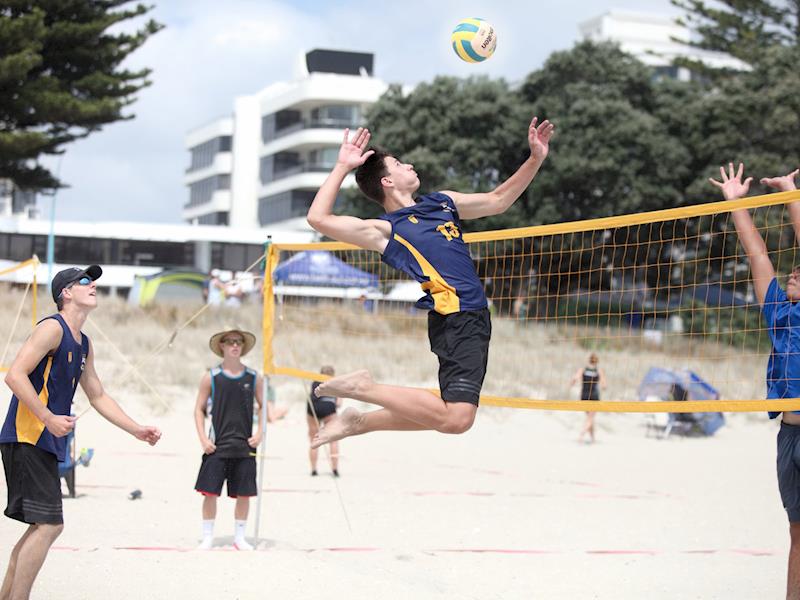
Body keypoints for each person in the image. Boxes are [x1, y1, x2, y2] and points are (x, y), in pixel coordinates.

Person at [305, 117, 554, 448]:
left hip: (473, 317)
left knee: (451, 416)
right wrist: (341, 166)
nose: (409, 165)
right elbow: (318, 219)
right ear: (387, 182)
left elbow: (498, 200)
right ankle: (365, 389)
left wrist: (535, 159)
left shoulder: (442, 202)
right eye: (398, 164)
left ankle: (359, 421)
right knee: (456, 419)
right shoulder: (386, 229)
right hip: (457, 316)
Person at [0, 265, 161, 600]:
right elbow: (14, 374)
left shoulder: (84, 344)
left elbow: (98, 395)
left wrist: (137, 430)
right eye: (85, 281)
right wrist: (47, 416)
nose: (93, 285)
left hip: (43, 441)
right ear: (66, 293)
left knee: (39, 528)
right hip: (26, 435)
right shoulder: (52, 328)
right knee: (50, 525)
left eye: (93, 280)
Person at [709, 163, 800, 599]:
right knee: (797, 536)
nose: (793, 272)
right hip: (789, 435)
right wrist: (736, 203)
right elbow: (758, 255)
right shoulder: (779, 314)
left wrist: (790, 195)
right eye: (793, 273)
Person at [194, 327, 263, 551]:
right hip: (217, 445)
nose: (235, 345)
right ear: (222, 346)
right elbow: (199, 409)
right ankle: (207, 537)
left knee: (244, 494)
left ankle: (239, 537)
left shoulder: (254, 377)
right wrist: (203, 439)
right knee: (210, 493)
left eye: (238, 342)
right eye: (230, 341)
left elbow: (263, 407)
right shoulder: (211, 377)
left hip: (245, 445)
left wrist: (260, 433)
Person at [307, 366, 342, 477]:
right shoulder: (335, 384)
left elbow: (312, 397)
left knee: (314, 440)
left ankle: (313, 470)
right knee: (333, 440)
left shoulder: (315, 382)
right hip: (328, 408)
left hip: (313, 409)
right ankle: (335, 469)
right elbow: (338, 404)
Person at [570, 353, 607, 444]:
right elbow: (604, 385)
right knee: (590, 418)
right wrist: (603, 386)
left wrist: (572, 383)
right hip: (594, 395)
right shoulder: (599, 370)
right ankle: (582, 435)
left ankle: (592, 438)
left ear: (589, 360)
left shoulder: (583, 369)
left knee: (590, 417)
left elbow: (575, 378)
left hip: (584, 395)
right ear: (597, 361)